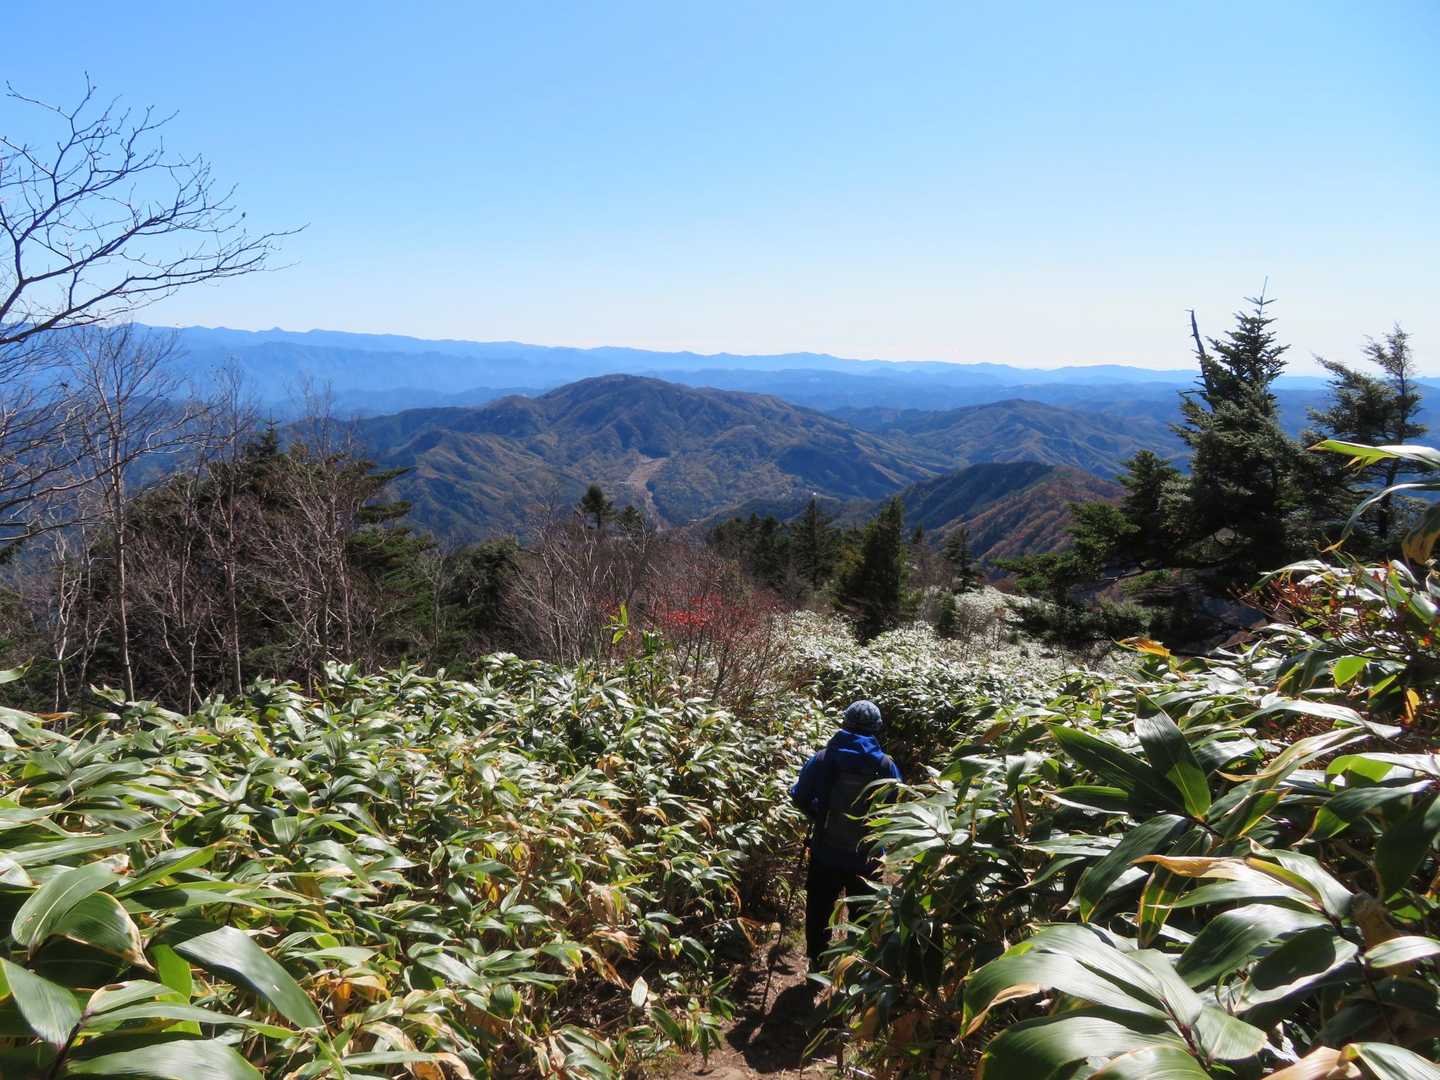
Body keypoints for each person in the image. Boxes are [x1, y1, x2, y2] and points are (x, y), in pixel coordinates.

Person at [789, 699, 901, 968]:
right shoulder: (885, 765)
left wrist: (819, 814)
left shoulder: (823, 759)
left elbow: (799, 796)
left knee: (819, 907)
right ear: (876, 728)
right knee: (863, 914)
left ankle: (817, 962)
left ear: (845, 723)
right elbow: (895, 806)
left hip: (825, 851)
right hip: (867, 857)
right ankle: (856, 965)